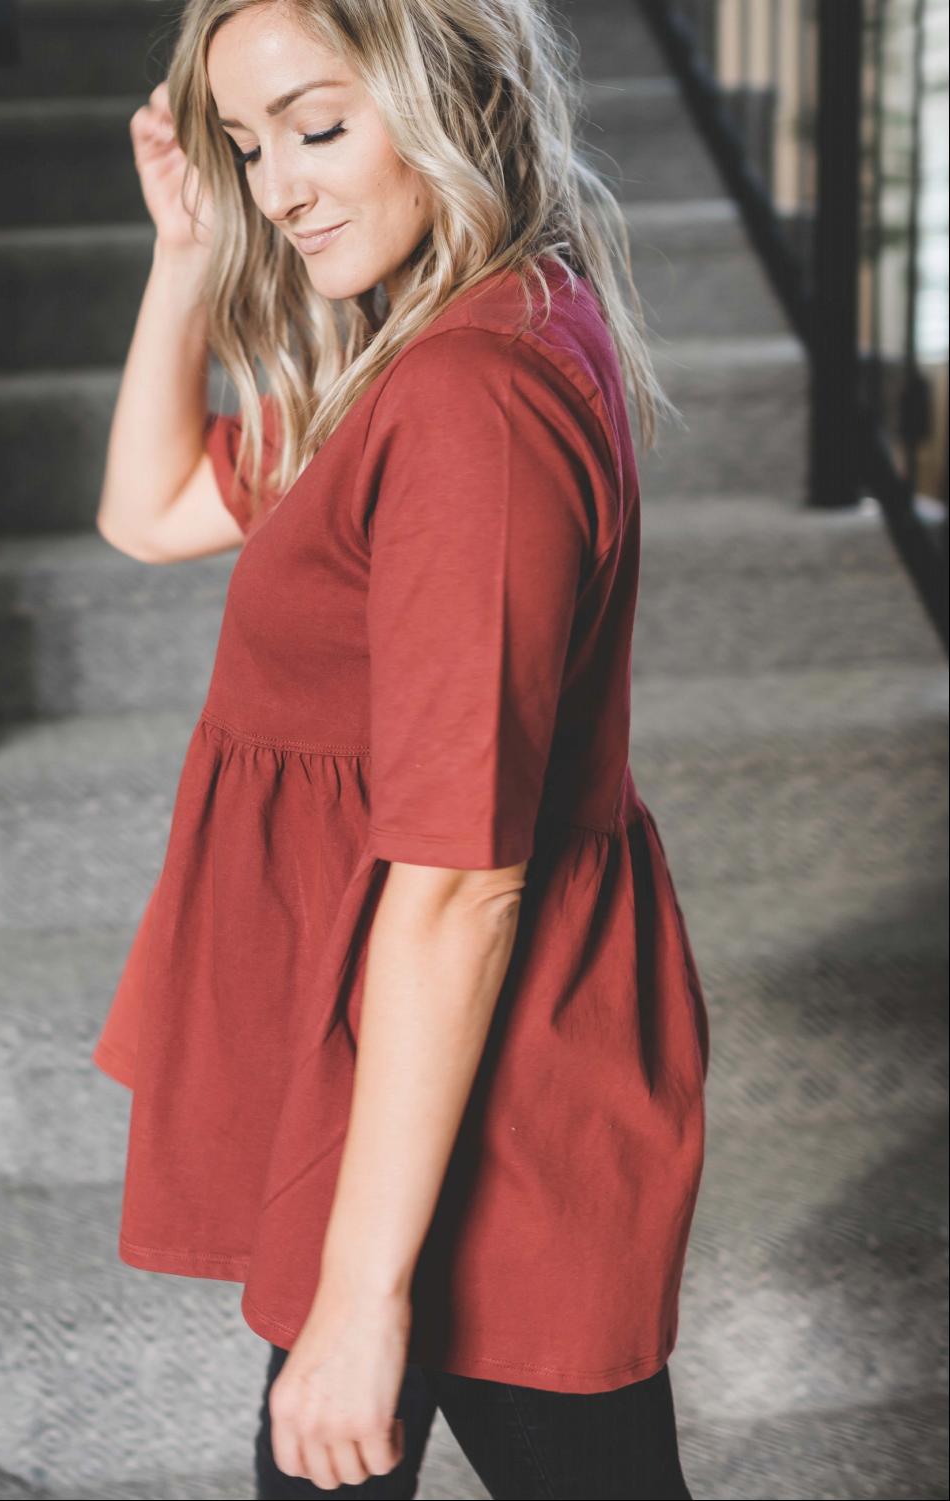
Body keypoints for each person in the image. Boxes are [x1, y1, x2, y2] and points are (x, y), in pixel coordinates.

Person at [89, 2, 709, 1497]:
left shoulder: (463, 402)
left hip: (471, 1083)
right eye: (247, 149)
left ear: (456, 95)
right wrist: (182, 255)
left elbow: (458, 885)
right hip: (388, 1065)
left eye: (317, 125)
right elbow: (153, 506)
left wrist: (362, 1299)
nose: (279, 186)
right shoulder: (418, 340)